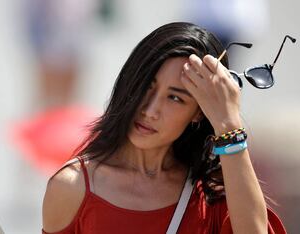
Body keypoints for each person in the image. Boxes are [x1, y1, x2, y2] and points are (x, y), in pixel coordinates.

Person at [41, 22, 286, 233]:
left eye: (175, 98)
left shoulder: (212, 197)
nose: (150, 110)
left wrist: (229, 124)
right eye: (146, 86)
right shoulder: (73, 188)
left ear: (199, 112)